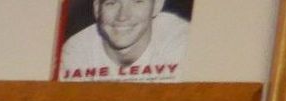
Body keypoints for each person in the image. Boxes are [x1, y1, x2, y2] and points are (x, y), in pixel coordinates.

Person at [57, 0, 190, 82]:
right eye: (112, 3)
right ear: (97, 9)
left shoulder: (181, 39)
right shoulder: (76, 51)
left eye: (137, 2)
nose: (122, 16)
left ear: (156, 5)